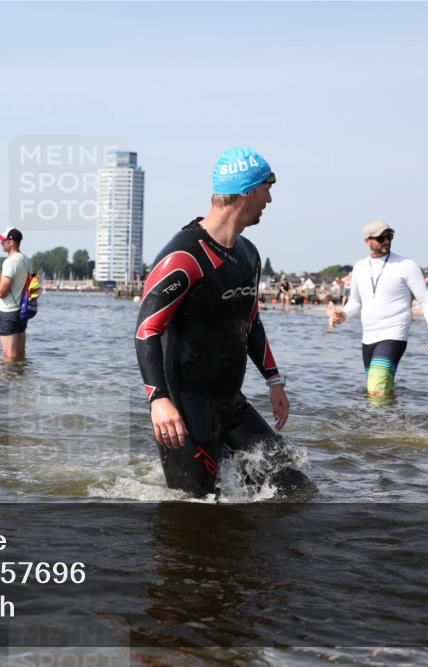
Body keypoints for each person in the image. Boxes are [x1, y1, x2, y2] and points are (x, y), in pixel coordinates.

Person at [134, 146, 307, 498]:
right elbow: (146, 330)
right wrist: (159, 400)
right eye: (266, 187)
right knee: (195, 511)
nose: (270, 199)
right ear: (246, 192)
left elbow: (251, 320)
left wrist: (274, 382)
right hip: (184, 411)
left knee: (292, 485)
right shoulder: (184, 256)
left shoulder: (249, 254)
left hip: (232, 401)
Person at [329, 220, 428, 398]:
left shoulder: (406, 265)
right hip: (368, 338)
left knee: (377, 389)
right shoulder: (359, 267)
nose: (387, 241)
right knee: (379, 390)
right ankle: (389, 423)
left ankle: (378, 424)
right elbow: (356, 302)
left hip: (393, 334)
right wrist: (342, 315)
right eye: (381, 238)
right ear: (367, 241)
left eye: (390, 237)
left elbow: (425, 299)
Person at [0, 227, 31, 362]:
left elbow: (1, 292)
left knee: (9, 357)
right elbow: (14, 283)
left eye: (3, 240)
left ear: (12, 242)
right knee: (20, 355)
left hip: (8, 312)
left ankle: (6, 382)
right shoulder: (26, 260)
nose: (1, 243)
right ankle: (20, 382)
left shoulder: (10, 262)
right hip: (21, 311)